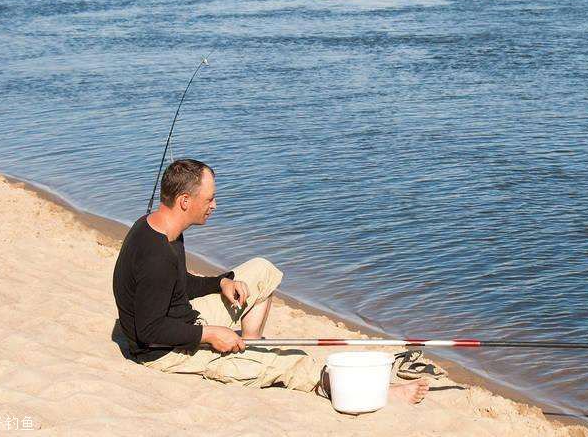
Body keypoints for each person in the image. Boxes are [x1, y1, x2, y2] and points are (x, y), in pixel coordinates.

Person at [112, 158, 428, 404]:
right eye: (209, 199)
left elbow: (177, 284)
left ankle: (249, 342)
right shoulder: (155, 255)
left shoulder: (163, 230)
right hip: (164, 352)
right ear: (184, 200)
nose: (214, 205)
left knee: (260, 270)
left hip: (182, 320)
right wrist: (210, 334)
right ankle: (384, 393)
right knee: (289, 361)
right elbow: (148, 331)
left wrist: (221, 282)